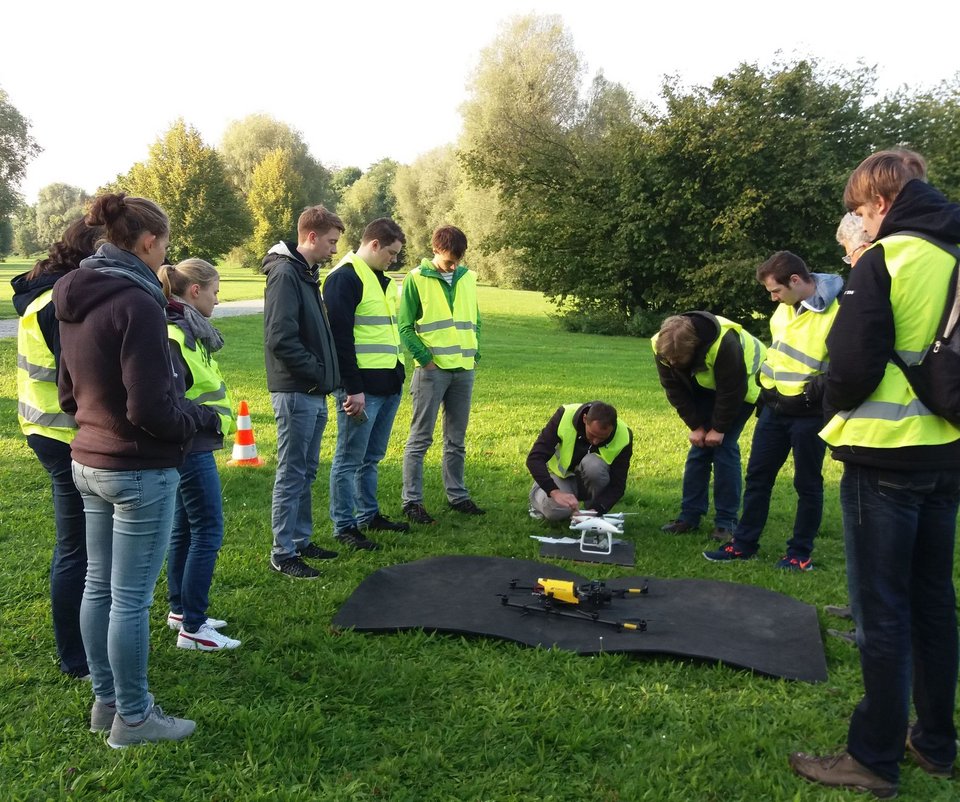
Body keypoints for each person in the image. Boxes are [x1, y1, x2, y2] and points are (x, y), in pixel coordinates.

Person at [790, 150, 960, 797]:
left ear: (882, 203)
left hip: (883, 456)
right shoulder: (953, 255)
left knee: (882, 614)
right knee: (934, 604)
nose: (861, 221)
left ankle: (872, 758)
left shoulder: (888, 258)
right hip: (946, 454)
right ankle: (935, 742)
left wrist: (824, 398)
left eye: (861, 210)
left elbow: (853, 365)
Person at [53, 193, 197, 747]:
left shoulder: (72, 290)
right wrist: (198, 418)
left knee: (99, 587)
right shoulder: (138, 301)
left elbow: (68, 393)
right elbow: (151, 409)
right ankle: (134, 718)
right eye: (165, 245)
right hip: (137, 467)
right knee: (130, 599)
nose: (166, 255)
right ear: (148, 242)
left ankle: (106, 704)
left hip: (88, 458)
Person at [703, 251, 841, 570]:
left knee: (807, 484)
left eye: (776, 291)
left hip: (809, 414)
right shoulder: (784, 309)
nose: (773, 298)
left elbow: (845, 363)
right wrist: (767, 391)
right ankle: (743, 545)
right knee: (757, 478)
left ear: (795, 280)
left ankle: (799, 554)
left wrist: (814, 393)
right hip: (774, 408)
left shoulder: (838, 311)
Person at [12, 218, 101, 680]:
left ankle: (86, 644)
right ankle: (77, 657)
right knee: (77, 548)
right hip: (64, 436)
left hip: (46, 429)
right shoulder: (60, 302)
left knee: (80, 545)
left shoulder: (47, 293)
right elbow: (79, 380)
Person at [160, 259, 240, 651]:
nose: (218, 300)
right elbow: (174, 398)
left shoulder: (188, 328)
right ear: (195, 291)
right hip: (192, 444)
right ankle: (193, 626)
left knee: (185, 527)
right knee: (208, 529)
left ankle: (181, 610)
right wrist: (209, 420)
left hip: (194, 441)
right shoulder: (176, 333)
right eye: (215, 292)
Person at [262, 205, 344, 579]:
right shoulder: (285, 274)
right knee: (292, 471)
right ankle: (283, 552)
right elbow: (280, 338)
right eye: (331, 242)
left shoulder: (304, 273)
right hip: (297, 390)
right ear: (311, 237)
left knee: (307, 470)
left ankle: (300, 540)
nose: (334, 250)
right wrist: (318, 372)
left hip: (313, 390)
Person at [322, 218, 408, 551]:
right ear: (374, 245)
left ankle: (368, 515)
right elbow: (340, 340)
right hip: (361, 389)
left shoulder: (379, 279)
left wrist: (398, 374)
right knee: (348, 459)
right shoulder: (344, 278)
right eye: (391, 253)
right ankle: (344, 525)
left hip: (388, 382)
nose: (394, 260)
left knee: (371, 457)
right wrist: (352, 388)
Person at [652, 313, 765, 541]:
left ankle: (726, 522)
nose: (672, 363)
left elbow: (732, 391)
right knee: (699, 449)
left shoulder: (725, 344)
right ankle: (689, 516)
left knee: (724, 448)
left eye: (678, 358)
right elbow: (674, 389)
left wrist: (719, 429)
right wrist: (696, 426)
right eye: (668, 359)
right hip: (706, 387)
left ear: (694, 347)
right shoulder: (661, 345)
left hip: (743, 388)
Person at [399, 225, 484, 524]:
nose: (454, 266)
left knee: (456, 440)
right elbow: (405, 327)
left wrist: (475, 353)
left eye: (458, 260)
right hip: (431, 372)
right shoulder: (415, 279)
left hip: (464, 370)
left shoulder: (468, 278)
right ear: (435, 250)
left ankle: (457, 496)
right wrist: (425, 360)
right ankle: (412, 502)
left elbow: (475, 320)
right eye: (449, 261)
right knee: (420, 439)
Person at [527, 401, 633, 521]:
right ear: (584, 419)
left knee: (594, 466)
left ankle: (589, 513)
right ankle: (538, 497)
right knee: (555, 512)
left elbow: (618, 485)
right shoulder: (564, 416)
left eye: (602, 438)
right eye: (592, 435)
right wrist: (554, 492)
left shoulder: (624, 436)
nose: (596, 441)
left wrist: (597, 510)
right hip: (560, 477)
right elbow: (534, 458)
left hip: (591, 479)